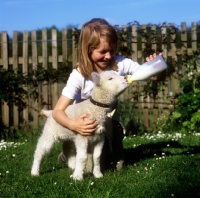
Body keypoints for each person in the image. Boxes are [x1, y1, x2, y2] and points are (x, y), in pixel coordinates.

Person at [52, 18, 160, 172]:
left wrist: (155, 69)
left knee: (118, 166)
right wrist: (73, 125)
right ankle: (68, 151)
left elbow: (152, 76)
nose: (109, 56)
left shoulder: (120, 63)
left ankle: (111, 145)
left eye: (112, 50)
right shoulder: (79, 75)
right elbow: (57, 112)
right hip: (85, 121)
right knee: (89, 169)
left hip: (110, 118)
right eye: (102, 51)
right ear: (87, 50)